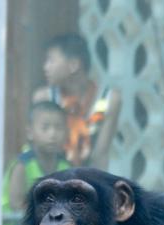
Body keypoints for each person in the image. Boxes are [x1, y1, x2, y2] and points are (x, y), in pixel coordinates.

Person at [31, 33, 120, 169]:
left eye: (51, 61)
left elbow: (101, 154)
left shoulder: (108, 99)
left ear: (73, 65)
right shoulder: (45, 97)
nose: (45, 67)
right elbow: (37, 153)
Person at [1, 101, 69, 225]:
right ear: (30, 132)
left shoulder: (66, 167)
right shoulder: (22, 166)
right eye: (45, 128)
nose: (52, 134)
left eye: (58, 128)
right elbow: (17, 206)